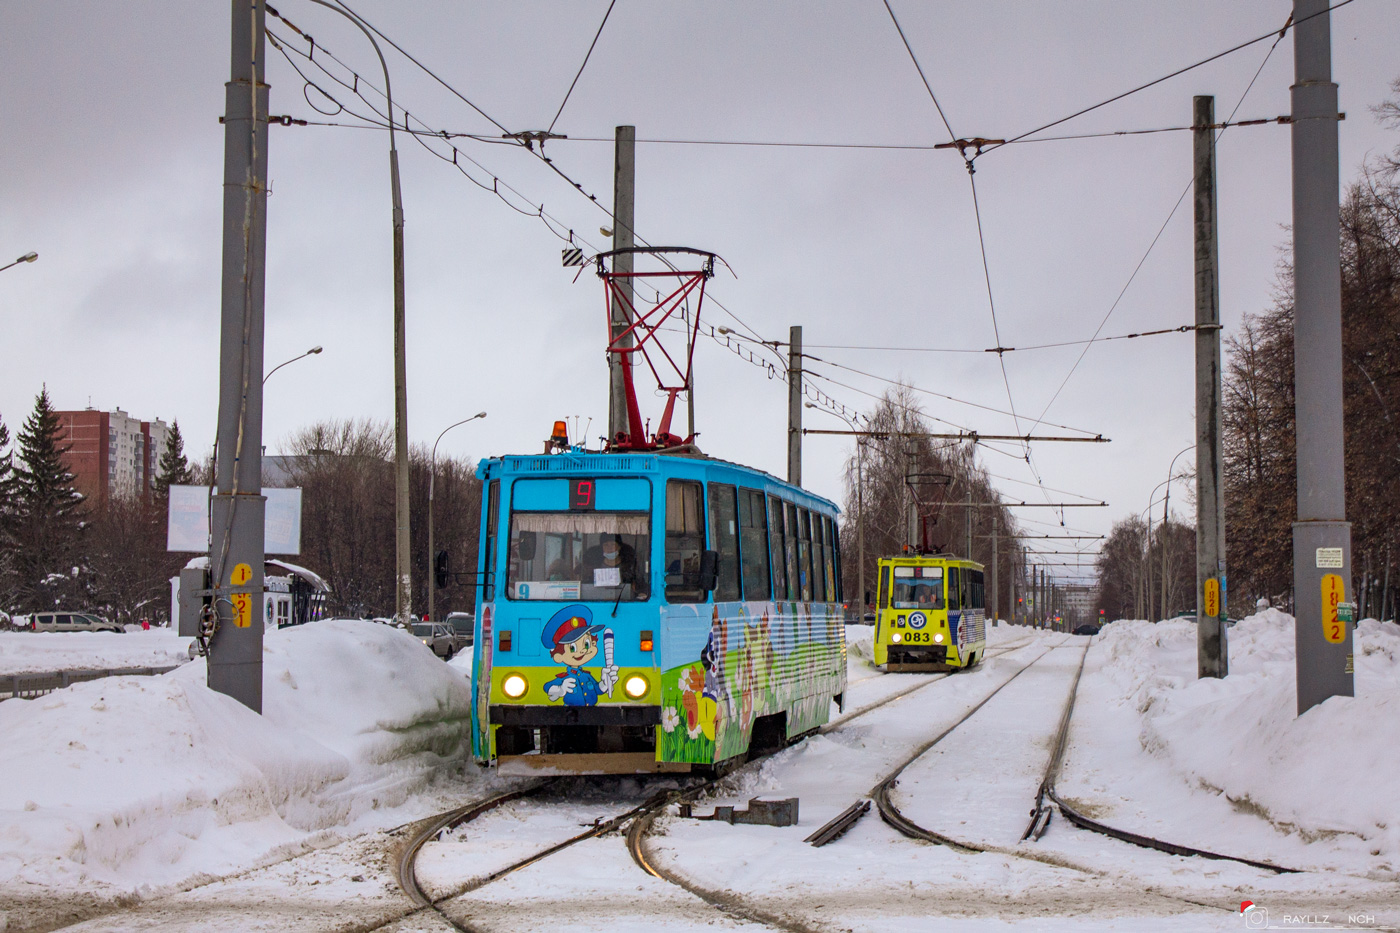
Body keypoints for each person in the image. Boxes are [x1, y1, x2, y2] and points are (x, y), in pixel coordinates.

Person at [541, 605, 617, 706]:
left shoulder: (587, 675)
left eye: (586, 644)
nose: (582, 651)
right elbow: (547, 687)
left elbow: (597, 690)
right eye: (572, 648)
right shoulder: (565, 678)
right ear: (558, 656)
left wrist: (606, 682)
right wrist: (560, 689)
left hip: (591, 713)